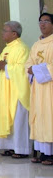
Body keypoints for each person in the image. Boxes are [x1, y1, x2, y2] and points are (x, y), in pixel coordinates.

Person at [0, 21, 31, 159]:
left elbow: (23, 69)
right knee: (5, 116)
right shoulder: (7, 49)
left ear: (14, 34)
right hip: (5, 90)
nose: (2, 33)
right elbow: (3, 67)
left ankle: (21, 149)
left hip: (17, 91)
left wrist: (5, 67)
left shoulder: (22, 48)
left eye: (5, 30)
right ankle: (9, 146)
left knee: (18, 119)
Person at [25, 13, 53, 165]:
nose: (42, 24)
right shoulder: (36, 45)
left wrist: (35, 69)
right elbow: (28, 63)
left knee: (50, 118)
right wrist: (30, 70)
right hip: (38, 88)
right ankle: (43, 152)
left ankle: (51, 154)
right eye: (40, 21)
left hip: (50, 88)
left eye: (46, 21)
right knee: (40, 117)